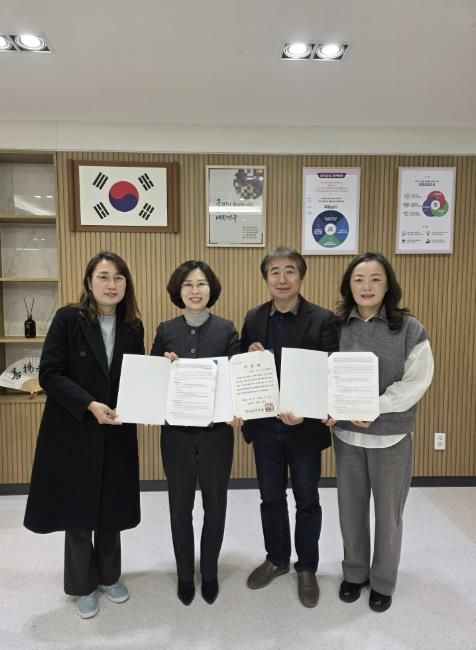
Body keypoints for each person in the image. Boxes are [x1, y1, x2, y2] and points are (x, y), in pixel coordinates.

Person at [24, 251, 144, 619]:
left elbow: (136, 377)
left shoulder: (133, 326)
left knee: (111, 508)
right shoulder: (68, 319)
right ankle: (82, 585)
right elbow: (50, 373)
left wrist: (157, 381)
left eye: (119, 278)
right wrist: (89, 404)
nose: (112, 284)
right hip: (75, 427)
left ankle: (110, 576)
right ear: (89, 282)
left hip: (116, 429)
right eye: (104, 277)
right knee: (77, 512)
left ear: (126, 285)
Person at [325, 251, 434, 612]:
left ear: (388, 285)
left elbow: (416, 382)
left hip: (390, 437)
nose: (367, 286)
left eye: (375, 279)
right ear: (349, 286)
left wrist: (376, 406)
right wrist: (326, 405)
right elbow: (324, 373)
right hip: (347, 437)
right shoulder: (336, 327)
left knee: (388, 514)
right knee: (350, 510)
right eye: (358, 279)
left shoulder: (410, 328)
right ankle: (355, 572)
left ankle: (383, 580)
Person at [240, 246, 338, 608]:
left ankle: (307, 567)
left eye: (289, 271)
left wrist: (309, 413)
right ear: (266, 278)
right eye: (274, 272)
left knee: (307, 498)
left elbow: (330, 373)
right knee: (270, 497)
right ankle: (277, 558)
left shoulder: (323, 319)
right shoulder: (253, 317)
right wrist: (248, 356)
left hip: (304, 429)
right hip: (265, 427)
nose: (282, 279)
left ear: (301, 276)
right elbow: (240, 367)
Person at [151, 260, 240, 606]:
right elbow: (154, 380)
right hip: (177, 434)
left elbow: (236, 380)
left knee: (215, 505)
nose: (195, 290)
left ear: (211, 289)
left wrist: (239, 410)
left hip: (216, 434)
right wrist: (165, 367)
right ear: (178, 291)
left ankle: (211, 571)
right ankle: (185, 574)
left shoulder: (226, 329)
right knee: (179, 507)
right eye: (187, 284)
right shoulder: (166, 330)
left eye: (201, 283)